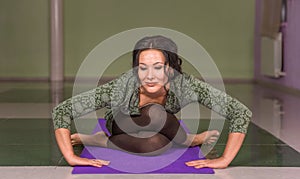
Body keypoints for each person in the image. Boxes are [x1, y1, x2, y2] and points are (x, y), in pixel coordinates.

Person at [52, 35, 252, 169]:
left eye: (157, 67)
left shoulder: (185, 85)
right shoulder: (123, 85)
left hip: (162, 124)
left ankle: (186, 140)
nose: (149, 76)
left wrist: (225, 160)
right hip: (121, 126)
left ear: (170, 68)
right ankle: (100, 139)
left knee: (156, 144)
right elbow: (62, 111)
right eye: (142, 67)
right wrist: (71, 158)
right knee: (156, 111)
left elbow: (240, 112)